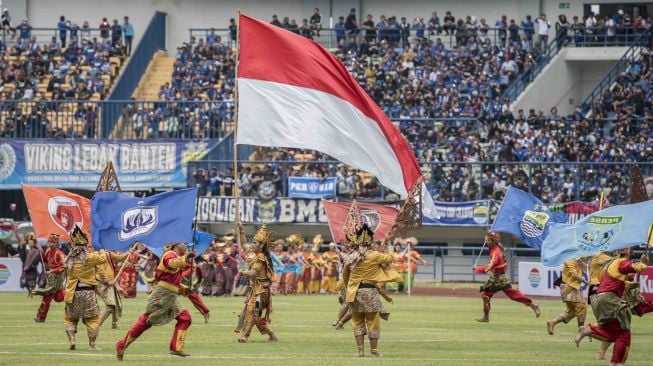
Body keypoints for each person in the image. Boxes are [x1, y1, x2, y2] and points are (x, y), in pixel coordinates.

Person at [116, 242, 196, 360]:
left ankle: (176, 347)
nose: (186, 247)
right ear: (176, 245)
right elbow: (171, 264)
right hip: (162, 294)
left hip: (170, 295)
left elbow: (173, 277)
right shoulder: (169, 254)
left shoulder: (176, 257)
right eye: (184, 244)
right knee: (145, 322)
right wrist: (186, 258)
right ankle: (121, 345)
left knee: (185, 318)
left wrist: (184, 286)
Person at [574, 247, 649, 365]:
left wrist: (635, 275)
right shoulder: (620, 262)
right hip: (609, 300)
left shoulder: (608, 265)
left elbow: (627, 276)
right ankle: (616, 363)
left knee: (612, 334)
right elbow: (629, 267)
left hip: (600, 299)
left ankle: (588, 330)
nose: (630, 250)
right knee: (623, 333)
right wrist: (643, 264)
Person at [342, 224, 401, 357]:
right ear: (370, 243)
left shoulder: (350, 257)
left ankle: (360, 351)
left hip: (355, 292)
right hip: (370, 292)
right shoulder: (375, 255)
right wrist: (389, 242)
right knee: (372, 321)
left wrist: (349, 289)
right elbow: (391, 258)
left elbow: (345, 276)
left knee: (357, 321)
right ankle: (374, 351)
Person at [473, 232, 541, 322]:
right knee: (511, 295)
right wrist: (489, 235)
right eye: (486, 240)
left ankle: (486, 317)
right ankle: (533, 305)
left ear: (493, 241)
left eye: (489, 240)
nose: (487, 242)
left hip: (498, 279)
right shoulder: (497, 247)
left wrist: (477, 269)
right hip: (501, 277)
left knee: (487, 296)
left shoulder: (495, 252)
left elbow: (488, 268)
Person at [63, 226, 107, 351]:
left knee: (70, 318)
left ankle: (72, 340)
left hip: (72, 294)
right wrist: (101, 249)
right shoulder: (91, 257)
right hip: (87, 293)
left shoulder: (68, 259)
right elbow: (103, 259)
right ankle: (92, 345)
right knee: (93, 319)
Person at [235, 221, 279, 342]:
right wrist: (241, 230)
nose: (251, 244)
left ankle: (244, 336)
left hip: (261, 292)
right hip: (253, 291)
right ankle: (272, 335)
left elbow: (253, 273)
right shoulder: (252, 254)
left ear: (261, 245)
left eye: (254, 243)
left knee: (251, 311)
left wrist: (242, 272)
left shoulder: (260, 258)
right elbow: (243, 244)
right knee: (255, 315)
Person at [547, 258, 588, 335]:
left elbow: (585, 269)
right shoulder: (570, 260)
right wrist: (585, 281)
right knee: (582, 306)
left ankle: (553, 321)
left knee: (572, 311)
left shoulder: (578, 260)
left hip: (574, 287)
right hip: (569, 287)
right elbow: (574, 274)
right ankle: (581, 329)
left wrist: (582, 263)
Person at [96, 249, 132, 329]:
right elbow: (120, 258)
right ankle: (97, 324)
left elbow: (120, 258)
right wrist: (129, 251)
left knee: (116, 303)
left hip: (107, 281)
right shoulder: (106, 254)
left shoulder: (98, 254)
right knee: (111, 305)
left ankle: (114, 324)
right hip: (105, 282)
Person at [33, 234, 65, 322]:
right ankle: (40, 317)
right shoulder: (47, 251)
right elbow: (45, 260)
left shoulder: (59, 254)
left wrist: (51, 271)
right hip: (51, 279)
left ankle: (40, 317)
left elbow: (64, 267)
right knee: (53, 298)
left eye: (54, 242)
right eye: (50, 242)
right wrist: (41, 252)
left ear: (57, 243)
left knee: (52, 298)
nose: (51, 244)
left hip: (58, 278)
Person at [18, 233, 41, 297]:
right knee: (24, 282)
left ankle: (32, 293)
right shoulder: (25, 249)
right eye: (29, 243)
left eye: (31, 243)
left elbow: (37, 259)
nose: (30, 244)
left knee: (32, 281)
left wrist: (32, 265)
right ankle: (29, 291)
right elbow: (21, 255)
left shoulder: (36, 251)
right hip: (25, 268)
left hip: (32, 268)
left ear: (34, 243)